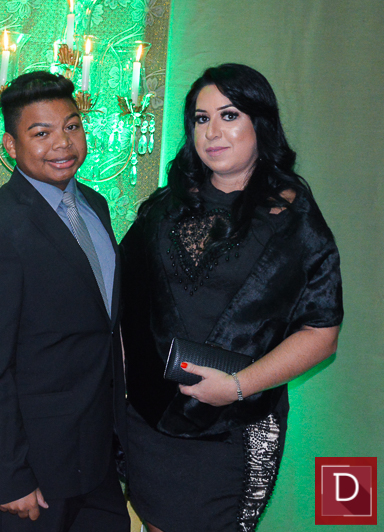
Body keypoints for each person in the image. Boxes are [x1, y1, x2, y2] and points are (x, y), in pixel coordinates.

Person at [120, 63, 343, 532]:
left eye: (229, 115)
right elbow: (125, 301)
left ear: (260, 123)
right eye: (201, 119)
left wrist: (237, 386)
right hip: (148, 421)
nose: (212, 132)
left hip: (234, 426)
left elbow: (321, 334)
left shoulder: (294, 219)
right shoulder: (163, 208)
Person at [0, 71, 130, 532]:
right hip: (30, 469)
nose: (63, 143)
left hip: (95, 460)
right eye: (42, 133)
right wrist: (10, 476)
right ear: (11, 146)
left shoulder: (94, 204)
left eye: (72, 126)